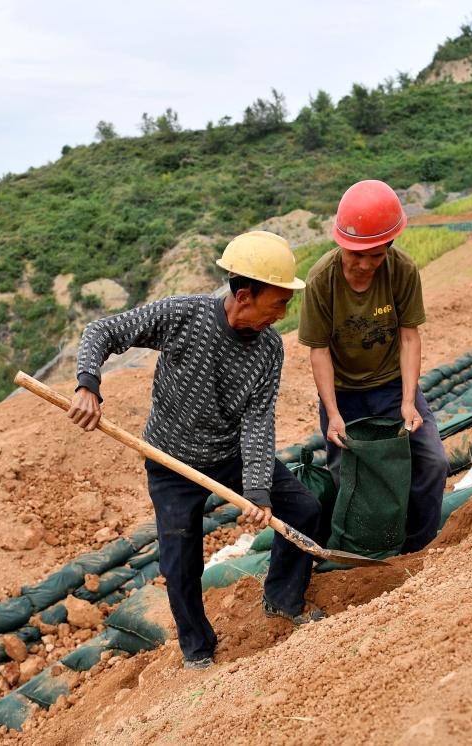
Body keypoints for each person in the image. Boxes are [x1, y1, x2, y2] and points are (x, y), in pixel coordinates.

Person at [67, 230, 324, 670]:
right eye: (277, 303)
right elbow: (103, 330)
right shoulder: (183, 315)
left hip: (229, 454)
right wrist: (87, 383)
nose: (282, 314)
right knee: (180, 558)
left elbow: (258, 420)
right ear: (245, 295)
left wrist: (258, 490)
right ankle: (198, 649)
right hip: (171, 460)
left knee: (303, 509)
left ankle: (283, 597)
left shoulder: (268, 349)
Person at [298, 179, 449, 554]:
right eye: (356, 255)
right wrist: (333, 414)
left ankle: (416, 548)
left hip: (391, 387)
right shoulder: (322, 279)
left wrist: (409, 401)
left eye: (376, 256)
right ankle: (358, 553)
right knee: (348, 477)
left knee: (431, 462)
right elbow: (319, 351)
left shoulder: (402, 271)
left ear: (389, 247)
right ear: (341, 244)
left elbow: (410, 337)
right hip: (344, 395)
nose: (365, 265)